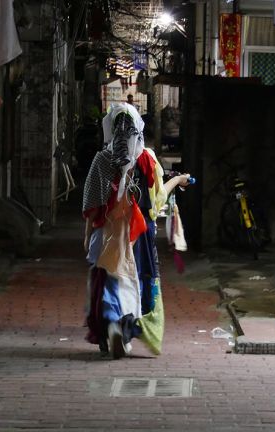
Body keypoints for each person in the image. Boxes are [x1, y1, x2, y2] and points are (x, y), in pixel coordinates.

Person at [82, 102, 191, 359]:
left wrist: (87, 234)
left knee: (108, 281)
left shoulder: (101, 160)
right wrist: (178, 179)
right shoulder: (147, 159)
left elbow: (92, 205)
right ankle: (127, 329)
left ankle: (111, 325)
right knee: (136, 282)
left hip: (108, 234)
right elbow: (158, 200)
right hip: (140, 235)